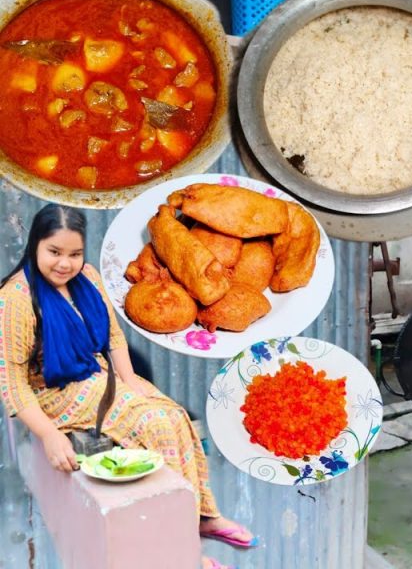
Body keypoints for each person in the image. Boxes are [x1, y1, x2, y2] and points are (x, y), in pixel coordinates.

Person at [0, 204, 258, 569]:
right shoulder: (15, 299)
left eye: (74, 253)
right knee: (153, 424)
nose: (65, 264)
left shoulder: (88, 276)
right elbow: (11, 385)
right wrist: (48, 435)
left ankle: (202, 516)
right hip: (55, 392)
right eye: (54, 252)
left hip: (99, 374)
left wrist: (132, 381)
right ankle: (183, 554)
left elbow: (113, 335)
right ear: (35, 247)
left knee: (173, 415)